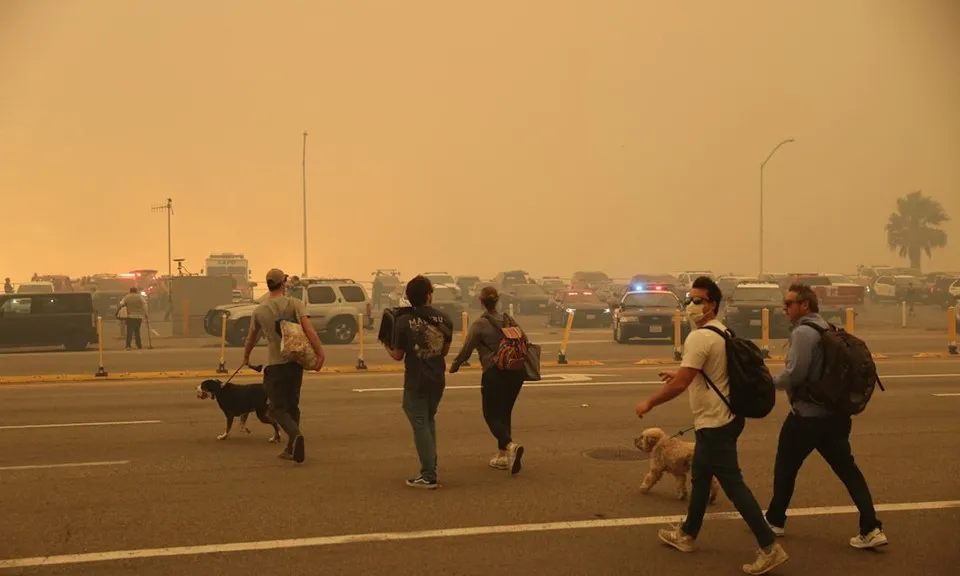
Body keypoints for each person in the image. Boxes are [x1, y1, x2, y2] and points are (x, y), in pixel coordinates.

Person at [635, 276, 788, 575]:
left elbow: (681, 384)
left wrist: (650, 403)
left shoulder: (699, 337)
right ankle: (688, 534)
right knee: (701, 477)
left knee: (733, 485)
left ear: (712, 304)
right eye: (689, 299)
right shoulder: (721, 332)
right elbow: (705, 371)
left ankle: (770, 547)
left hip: (716, 424)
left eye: (698, 300)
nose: (692, 305)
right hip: (724, 420)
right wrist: (679, 372)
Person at [765, 284, 887, 548]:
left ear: (804, 305)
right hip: (835, 416)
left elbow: (795, 374)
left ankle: (775, 521)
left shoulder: (803, 333)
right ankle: (871, 528)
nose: (784, 309)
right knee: (849, 471)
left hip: (807, 417)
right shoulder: (827, 328)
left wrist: (769, 382)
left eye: (789, 304)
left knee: (785, 468)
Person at [243, 269, 325, 463]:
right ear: (284, 283)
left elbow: (251, 339)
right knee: (292, 406)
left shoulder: (260, 310)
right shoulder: (295, 304)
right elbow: (309, 330)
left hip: (275, 366)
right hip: (294, 364)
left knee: (275, 409)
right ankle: (291, 448)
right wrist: (319, 352)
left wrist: (246, 358)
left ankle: (295, 435)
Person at [384, 275, 453, 489]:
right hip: (437, 378)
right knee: (428, 420)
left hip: (416, 379)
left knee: (420, 423)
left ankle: (428, 474)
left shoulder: (403, 322)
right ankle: (431, 465)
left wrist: (385, 343)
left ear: (408, 297)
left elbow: (397, 355)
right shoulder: (445, 319)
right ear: (429, 296)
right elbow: (445, 350)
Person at [450, 286, 525, 474]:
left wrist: (455, 365)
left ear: (481, 302)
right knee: (504, 412)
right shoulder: (509, 319)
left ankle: (509, 446)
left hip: (495, 372)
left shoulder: (480, 324)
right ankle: (502, 457)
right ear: (497, 300)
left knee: (490, 414)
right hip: (516, 372)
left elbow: (467, 349)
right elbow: (525, 341)